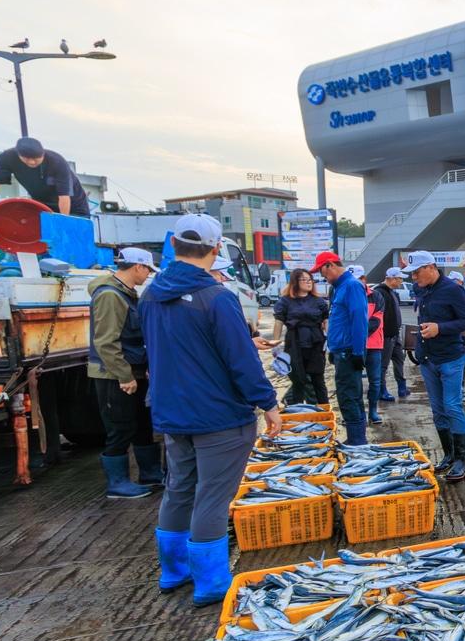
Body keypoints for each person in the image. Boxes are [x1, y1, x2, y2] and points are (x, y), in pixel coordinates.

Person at [139, 213, 281, 606]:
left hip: (172, 413)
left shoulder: (150, 294)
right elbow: (242, 360)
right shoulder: (217, 298)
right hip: (217, 416)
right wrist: (268, 403)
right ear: (216, 249)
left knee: (179, 489)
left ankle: (173, 572)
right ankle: (212, 583)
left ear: (172, 246)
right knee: (213, 498)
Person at [88, 247, 161, 499]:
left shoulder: (127, 294)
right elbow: (106, 342)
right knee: (120, 427)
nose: (148, 275)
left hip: (134, 371)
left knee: (141, 423)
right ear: (137, 267)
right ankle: (117, 483)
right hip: (114, 376)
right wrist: (124, 375)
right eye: (147, 269)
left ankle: (151, 474)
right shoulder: (110, 296)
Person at [402, 251, 465, 482]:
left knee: (452, 406)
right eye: (412, 273)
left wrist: (439, 328)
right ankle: (449, 454)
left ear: (431, 267)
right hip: (428, 359)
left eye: (416, 272)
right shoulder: (420, 290)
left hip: (451, 358)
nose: (414, 277)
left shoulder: (452, 289)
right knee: (437, 410)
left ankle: (462, 459)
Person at [311, 251, 368, 446]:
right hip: (341, 351)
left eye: (322, 272)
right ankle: (358, 439)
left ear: (330, 265)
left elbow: (359, 320)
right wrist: (332, 349)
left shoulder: (351, 286)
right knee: (351, 395)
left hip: (349, 351)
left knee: (348, 396)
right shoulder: (340, 288)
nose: (323, 277)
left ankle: (357, 442)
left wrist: (358, 352)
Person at [0, 136, 91, 216]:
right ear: (18, 154)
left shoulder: (57, 162)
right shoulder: (7, 158)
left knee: (68, 236)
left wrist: (63, 221)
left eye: (36, 158)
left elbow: (64, 197)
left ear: (42, 153)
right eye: (27, 158)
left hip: (74, 208)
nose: (32, 162)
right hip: (42, 206)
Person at [272, 269, 329, 407]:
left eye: (310, 279)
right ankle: (296, 411)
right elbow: (278, 322)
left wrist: (328, 339)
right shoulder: (285, 301)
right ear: (295, 282)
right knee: (298, 379)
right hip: (294, 343)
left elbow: (326, 320)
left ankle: (324, 410)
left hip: (316, 342)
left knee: (318, 379)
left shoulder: (318, 301)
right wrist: (275, 344)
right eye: (304, 279)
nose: (309, 282)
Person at [371, 268, 409, 402]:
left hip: (394, 334)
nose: (401, 281)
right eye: (400, 279)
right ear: (392, 279)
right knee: (383, 365)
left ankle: (402, 386)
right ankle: (382, 390)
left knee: (399, 359)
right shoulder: (379, 292)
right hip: (385, 336)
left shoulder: (391, 292)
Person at [364, 280, 386, 424]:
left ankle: (373, 411)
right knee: (352, 381)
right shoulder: (345, 293)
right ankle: (357, 413)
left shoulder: (376, 296)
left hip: (373, 345)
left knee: (375, 381)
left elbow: (376, 321)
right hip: (352, 345)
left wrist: (355, 332)